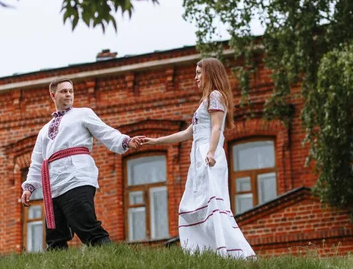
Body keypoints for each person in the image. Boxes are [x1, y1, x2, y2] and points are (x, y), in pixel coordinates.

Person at [143, 58, 255, 258]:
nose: (195, 77)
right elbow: (187, 133)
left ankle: (233, 252)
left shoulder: (215, 95)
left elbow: (216, 127)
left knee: (213, 206)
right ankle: (207, 252)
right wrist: (154, 142)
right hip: (199, 156)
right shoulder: (205, 101)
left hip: (208, 155)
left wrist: (211, 152)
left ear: (209, 73)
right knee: (194, 206)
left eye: (198, 73)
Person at [21, 77, 144, 250]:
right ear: (53, 95)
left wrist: (126, 141)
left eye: (71, 91)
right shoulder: (44, 131)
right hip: (54, 186)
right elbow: (37, 162)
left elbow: (105, 132)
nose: (68, 95)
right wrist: (29, 188)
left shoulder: (83, 114)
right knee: (55, 236)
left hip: (76, 177)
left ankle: (112, 257)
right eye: (64, 91)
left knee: (85, 224)